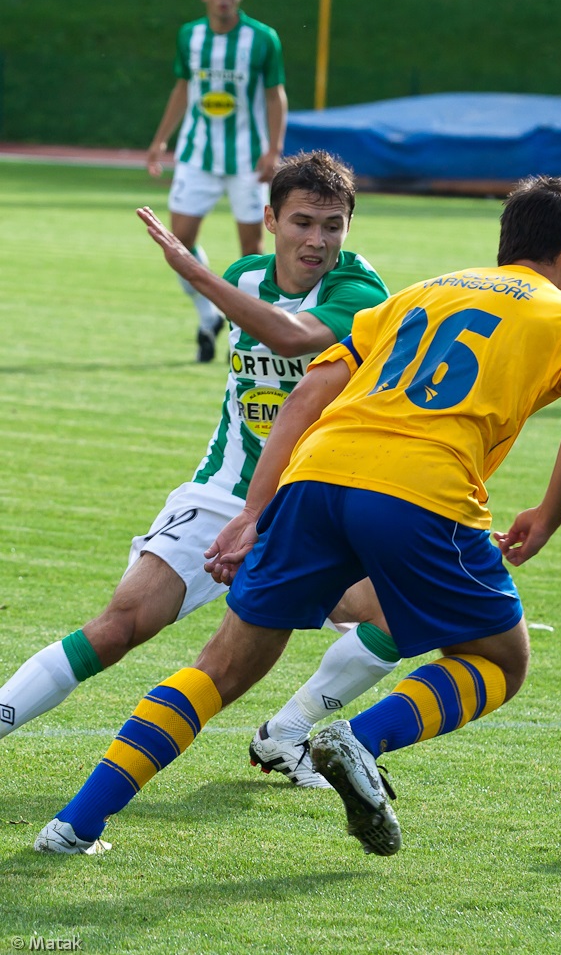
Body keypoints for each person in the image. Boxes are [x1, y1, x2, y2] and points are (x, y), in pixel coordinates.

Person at [33, 175, 561, 859]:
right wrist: (547, 516)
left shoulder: (424, 291)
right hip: (421, 491)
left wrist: (255, 511)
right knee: (500, 658)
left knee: (220, 667)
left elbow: (311, 390)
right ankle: (360, 738)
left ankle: (74, 825)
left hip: (315, 476)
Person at [0, 151, 401, 796]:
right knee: (121, 625)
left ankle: (288, 733)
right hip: (224, 493)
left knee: (393, 618)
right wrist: (213, 278)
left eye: (333, 225)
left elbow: (292, 336)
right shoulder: (244, 276)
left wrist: (193, 272)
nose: (317, 240)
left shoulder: (360, 291)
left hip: (313, 507)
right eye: (302, 222)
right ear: (270, 220)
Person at [147, 0, 288, 363]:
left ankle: (245, 332)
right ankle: (208, 316)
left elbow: (275, 95)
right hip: (197, 155)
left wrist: (273, 149)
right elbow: (182, 88)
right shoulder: (189, 35)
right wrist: (160, 140)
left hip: (247, 160)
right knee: (178, 241)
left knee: (252, 249)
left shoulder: (263, 38)